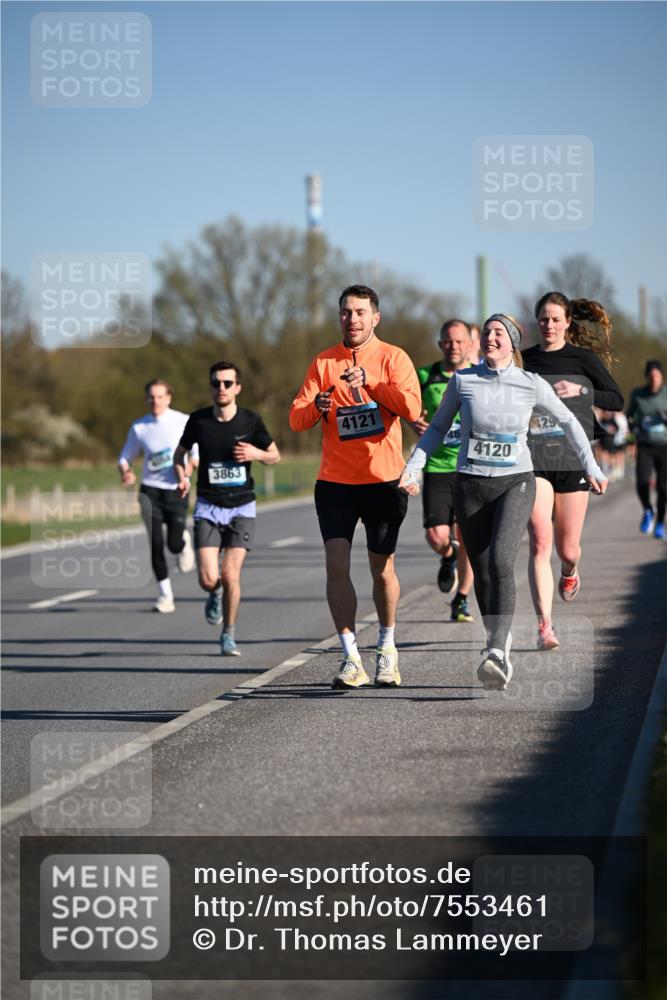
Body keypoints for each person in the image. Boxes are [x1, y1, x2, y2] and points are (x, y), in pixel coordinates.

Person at [399, 313, 607, 691]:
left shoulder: (530, 383)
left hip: (516, 482)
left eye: (499, 332)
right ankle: (498, 636)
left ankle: (496, 651)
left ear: (512, 342)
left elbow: (570, 422)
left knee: (499, 560)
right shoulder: (464, 381)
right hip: (470, 485)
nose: (491, 337)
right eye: (488, 332)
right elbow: (438, 430)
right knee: (480, 570)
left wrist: (591, 465)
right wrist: (414, 468)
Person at [289, 284, 421, 689]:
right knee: (336, 563)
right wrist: (318, 408)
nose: (353, 319)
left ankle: (386, 647)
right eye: (346, 312)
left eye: (360, 312)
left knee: (382, 569)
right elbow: (296, 418)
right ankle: (350, 657)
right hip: (335, 482)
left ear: (375, 317)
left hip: (383, 481)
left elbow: (412, 409)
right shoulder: (323, 361)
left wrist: (371, 385)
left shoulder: (393, 357)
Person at [523, 293, 623, 651]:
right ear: (538, 322)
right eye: (543, 319)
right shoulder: (526, 359)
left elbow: (616, 399)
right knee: (539, 541)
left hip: (573, 462)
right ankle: (545, 626)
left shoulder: (583, 359)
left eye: (555, 319)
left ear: (567, 323)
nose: (549, 325)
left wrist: (582, 389)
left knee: (567, 550)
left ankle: (569, 571)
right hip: (534, 460)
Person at [173, 362, 280, 656]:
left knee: (231, 574)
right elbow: (179, 454)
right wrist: (182, 475)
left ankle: (228, 634)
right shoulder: (199, 420)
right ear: (210, 387)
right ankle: (215, 593)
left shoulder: (250, 420)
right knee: (208, 579)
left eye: (227, 383)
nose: (222, 388)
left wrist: (256, 453)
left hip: (242, 506)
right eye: (216, 383)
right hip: (208, 505)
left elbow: (275, 455)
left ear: (238, 387)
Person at [411, 319, 475, 622]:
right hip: (436, 466)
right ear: (441, 344)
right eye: (448, 341)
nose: (454, 346)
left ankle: (461, 599)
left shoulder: (480, 375)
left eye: (459, 341)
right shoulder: (425, 376)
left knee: (468, 539)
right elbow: (407, 409)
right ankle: (446, 556)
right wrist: (413, 422)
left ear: (469, 344)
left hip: (470, 467)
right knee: (437, 536)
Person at [118, 379, 197, 614]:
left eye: (160, 396)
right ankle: (165, 595)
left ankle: (183, 543)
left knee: (173, 544)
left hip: (176, 488)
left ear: (169, 398)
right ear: (146, 399)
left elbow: (195, 454)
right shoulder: (140, 427)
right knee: (155, 544)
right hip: (150, 490)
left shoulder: (182, 421)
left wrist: (187, 474)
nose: (155, 401)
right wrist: (126, 472)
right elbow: (125, 457)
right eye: (151, 397)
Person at [626, 360, 667, 539]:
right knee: (642, 482)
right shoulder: (638, 394)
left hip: (664, 446)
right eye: (651, 376)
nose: (654, 379)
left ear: (662, 377)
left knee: (662, 488)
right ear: (646, 377)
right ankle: (648, 509)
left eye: (657, 376)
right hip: (645, 446)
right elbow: (628, 417)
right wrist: (635, 426)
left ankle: (659, 523)